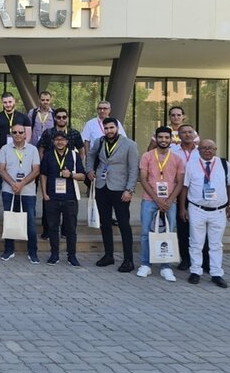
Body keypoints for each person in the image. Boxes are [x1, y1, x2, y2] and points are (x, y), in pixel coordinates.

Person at [86, 117, 139, 272]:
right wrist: (89, 169)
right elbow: (90, 155)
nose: (109, 131)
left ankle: (128, 259)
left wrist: (129, 189)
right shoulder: (100, 141)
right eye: (106, 128)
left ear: (117, 128)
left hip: (120, 189)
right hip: (102, 187)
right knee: (105, 222)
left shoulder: (129, 144)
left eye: (111, 128)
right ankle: (108, 255)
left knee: (123, 224)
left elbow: (133, 169)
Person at [179, 139, 230, 288]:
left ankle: (216, 274)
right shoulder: (191, 165)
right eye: (204, 148)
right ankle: (196, 271)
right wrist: (182, 208)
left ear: (215, 149)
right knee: (196, 242)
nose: (207, 150)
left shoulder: (224, 164)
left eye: (210, 148)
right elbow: (185, 187)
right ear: (198, 150)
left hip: (219, 210)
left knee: (216, 244)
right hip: (197, 209)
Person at [137, 126, 185, 282]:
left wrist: (169, 200)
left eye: (166, 137)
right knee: (145, 233)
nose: (163, 140)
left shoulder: (177, 158)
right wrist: (157, 199)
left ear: (171, 139)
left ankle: (166, 267)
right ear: (155, 139)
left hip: (170, 201)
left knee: (169, 233)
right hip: (149, 200)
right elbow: (143, 179)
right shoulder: (147, 156)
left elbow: (180, 182)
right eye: (160, 137)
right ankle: (145, 264)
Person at [39, 131, 86, 266]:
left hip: (70, 198)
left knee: (71, 228)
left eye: (62, 140)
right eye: (57, 139)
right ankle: (54, 254)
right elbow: (43, 175)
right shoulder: (48, 155)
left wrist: (70, 175)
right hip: (52, 197)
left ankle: (72, 256)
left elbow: (82, 176)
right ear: (53, 142)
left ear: (67, 142)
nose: (60, 142)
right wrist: (44, 194)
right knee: (53, 228)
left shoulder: (74, 155)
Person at [36, 107, 84, 238]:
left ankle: (65, 231)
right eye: (59, 117)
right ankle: (47, 231)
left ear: (67, 118)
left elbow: (81, 148)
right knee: (49, 204)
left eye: (64, 117)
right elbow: (41, 148)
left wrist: (77, 163)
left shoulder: (74, 133)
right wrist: (43, 162)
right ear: (55, 119)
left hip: (68, 174)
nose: (61, 119)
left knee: (68, 205)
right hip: (51, 172)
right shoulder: (48, 133)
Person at [0, 122, 41, 263]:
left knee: (30, 223)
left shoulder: (33, 149)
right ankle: (9, 250)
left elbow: (36, 170)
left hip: (27, 192)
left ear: (25, 134)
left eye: (20, 132)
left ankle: (32, 252)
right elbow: (1, 169)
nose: (17, 135)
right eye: (14, 132)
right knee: (9, 220)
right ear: (11, 134)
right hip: (8, 191)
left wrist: (21, 184)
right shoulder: (5, 148)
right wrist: (13, 184)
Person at [0, 92, 31, 223]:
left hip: (18, 155)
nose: (8, 105)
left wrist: (18, 150)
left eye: (10, 102)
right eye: (5, 102)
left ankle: (16, 211)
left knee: (16, 182)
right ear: (2, 103)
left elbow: (27, 136)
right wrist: (1, 150)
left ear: (14, 102)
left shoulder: (24, 117)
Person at [174, 124, 206, 272]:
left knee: (201, 229)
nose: (187, 135)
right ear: (178, 135)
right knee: (183, 229)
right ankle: (185, 259)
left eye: (190, 132)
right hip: (181, 193)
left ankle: (205, 261)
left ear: (194, 134)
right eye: (183, 132)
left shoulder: (202, 152)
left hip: (199, 194)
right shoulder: (173, 151)